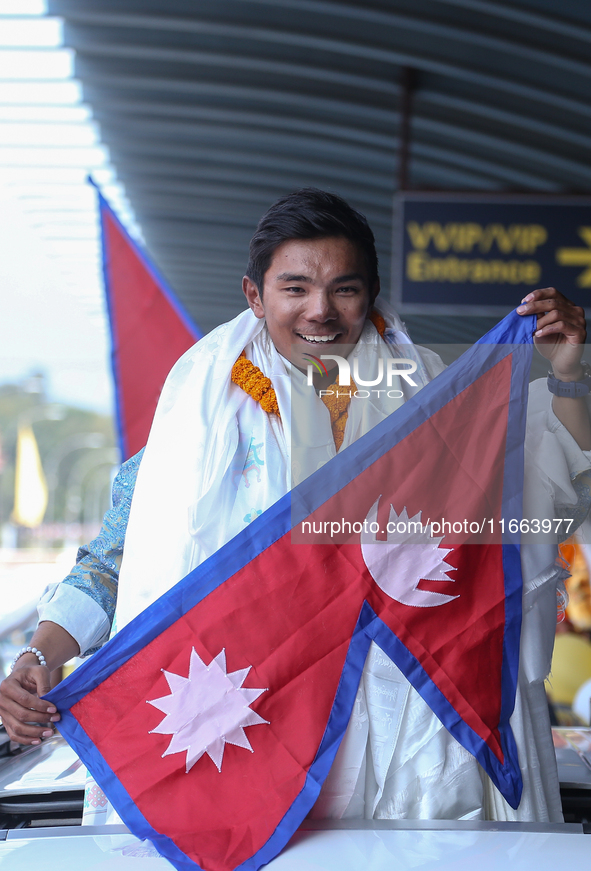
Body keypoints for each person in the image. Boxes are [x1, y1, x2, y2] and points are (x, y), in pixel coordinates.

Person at [0, 188, 589, 822]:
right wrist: (39, 655)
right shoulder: (200, 420)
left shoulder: (432, 403)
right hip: (255, 731)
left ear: (372, 292)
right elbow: (114, 558)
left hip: (407, 745)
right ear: (255, 296)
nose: (321, 312)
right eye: (295, 288)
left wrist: (569, 377)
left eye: (344, 289)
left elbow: (534, 490)